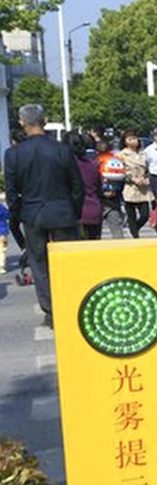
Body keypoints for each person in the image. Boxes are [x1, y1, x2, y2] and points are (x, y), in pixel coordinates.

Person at [3, 104, 83, 328]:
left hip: (33, 213)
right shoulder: (62, 150)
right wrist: (74, 212)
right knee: (67, 263)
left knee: (39, 265)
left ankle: (51, 311)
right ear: (44, 121)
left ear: (22, 123)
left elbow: (11, 192)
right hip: (62, 211)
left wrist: (18, 214)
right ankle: (71, 304)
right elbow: (77, 186)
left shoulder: (13, 154)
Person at [65, 132, 103, 240]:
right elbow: (99, 187)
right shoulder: (93, 165)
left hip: (75, 213)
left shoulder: (67, 166)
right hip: (94, 210)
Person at [119, 129, 153, 238]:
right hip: (129, 187)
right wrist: (132, 179)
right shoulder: (121, 154)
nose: (133, 141)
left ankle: (133, 228)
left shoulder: (143, 154)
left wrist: (147, 178)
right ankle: (135, 235)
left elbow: (148, 169)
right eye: (130, 139)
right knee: (131, 214)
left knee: (145, 215)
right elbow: (120, 171)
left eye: (134, 138)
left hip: (143, 187)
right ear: (125, 141)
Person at [94, 139, 126, 239]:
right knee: (117, 230)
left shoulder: (96, 161)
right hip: (114, 200)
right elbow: (122, 179)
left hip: (99, 200)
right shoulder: (117, 161)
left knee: (95, 233)